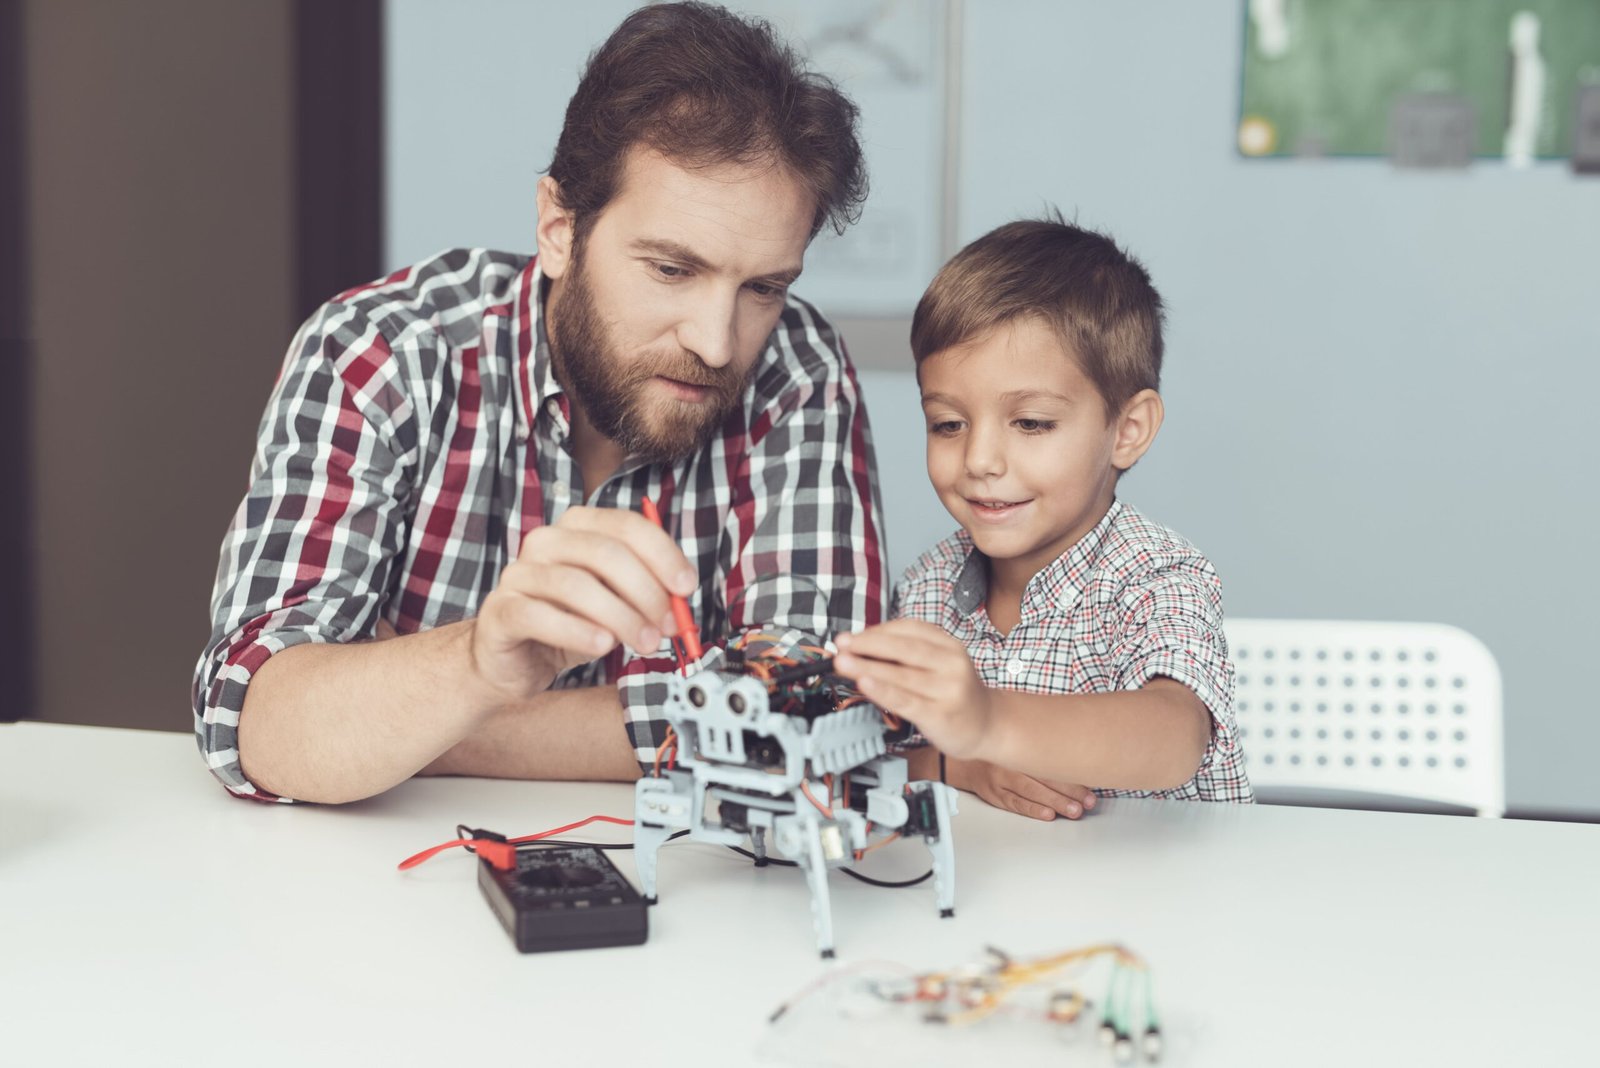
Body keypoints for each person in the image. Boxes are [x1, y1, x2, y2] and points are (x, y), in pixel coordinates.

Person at [192, 2, 887, 804]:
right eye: (671, 269)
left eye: (763, 287)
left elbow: (804, 719)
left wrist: (422, 719)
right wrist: (479, 660)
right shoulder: (381, 353)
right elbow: (256, 724)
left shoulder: (796, 367)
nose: (718, 342)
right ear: (559, 226)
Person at [833, 216, 1252, 820]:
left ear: (1127, 431)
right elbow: (879, 754)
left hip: (1165, 901)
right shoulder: (929, 585)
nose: (979, 460)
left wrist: (988, 720)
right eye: (948, 424)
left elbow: (1176, 737)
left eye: (1030, 423)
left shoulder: (1158, 575)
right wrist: (960, 764)